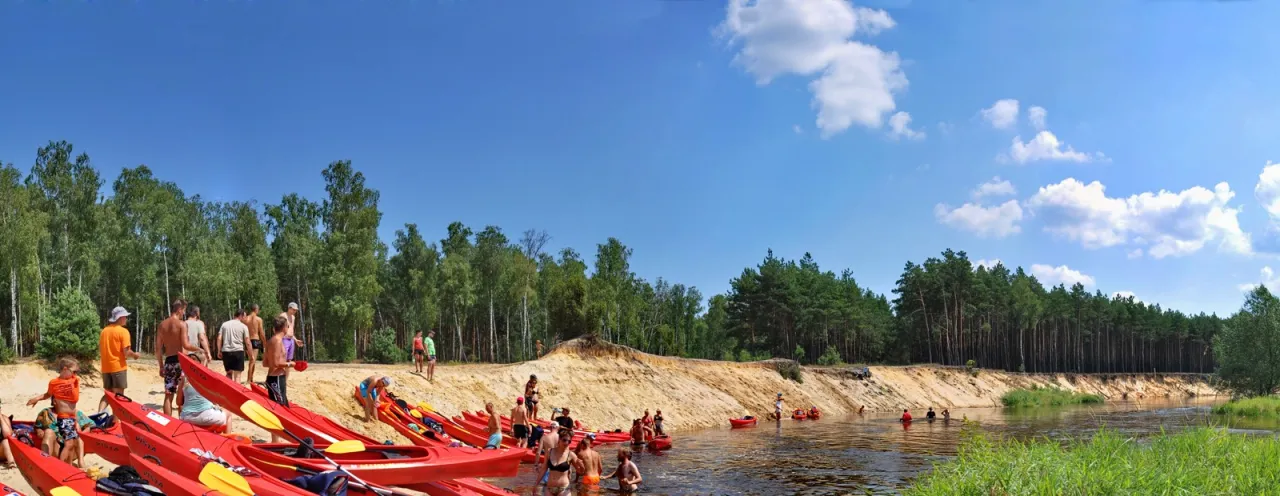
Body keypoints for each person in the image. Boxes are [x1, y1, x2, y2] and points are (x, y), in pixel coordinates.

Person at [27, 358, 84, 467]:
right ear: (65, 369)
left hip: (72, 418)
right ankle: (61, 466)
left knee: (71, 444)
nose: (76, 374)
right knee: (69, 444)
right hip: (64, 417)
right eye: (74, 371)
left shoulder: (74, 380)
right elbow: (48, 394)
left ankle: (69, 466)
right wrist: (36, 399)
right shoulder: (54, 383)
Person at [157, 299, 201, 417]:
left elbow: (158, 349)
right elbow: (186, 345)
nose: (183, 313)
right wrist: (199, 349)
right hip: (181, 361)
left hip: (169, 361)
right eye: (184, 310)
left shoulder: (162, 325)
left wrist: (161, 366)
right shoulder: (182, 324)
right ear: (179, 309)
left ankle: (168, 423)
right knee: (183, 394)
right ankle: (182, 422)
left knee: (168, 395)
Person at [98, 306, 140, 413]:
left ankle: (99, 414)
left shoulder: (104, 331)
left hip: (106, 368)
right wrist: (135, 355)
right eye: (125, 317)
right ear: (120, 317)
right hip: (118, 367)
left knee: (107, 394)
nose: (126, 319)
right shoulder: (123, 332)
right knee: (119, 397)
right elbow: (126, 352)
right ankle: (116, 421)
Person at [263, 313, 295, 442]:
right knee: (278, 410)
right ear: (284, 328)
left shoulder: (273, 340)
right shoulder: (276, 341)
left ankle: (278, 439)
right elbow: (275, 363)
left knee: (283, 408)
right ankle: (275, 441)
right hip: (275, 379)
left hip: (277, 378)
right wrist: (289, 364)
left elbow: (265, 363)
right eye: (287, 326)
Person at [216, 309, 251, 383]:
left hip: (226, 351)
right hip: (238, 351)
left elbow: (219, 338)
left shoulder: (224, 324)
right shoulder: (243, 326)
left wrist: (219, 350)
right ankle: (236, 393)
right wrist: (251, 354)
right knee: (237, 376)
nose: (245, 318)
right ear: (241, 316)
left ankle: (228, 392)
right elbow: (247, 342)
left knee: (229, 373)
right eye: (244, 316)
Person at [541, 426, 578, 495]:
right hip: (549, 488)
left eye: (569, 441)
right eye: (564, 440)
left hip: (564, 488)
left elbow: (580, 471)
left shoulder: (571, 455)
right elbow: (543, 469)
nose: (566, 443)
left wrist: (580, 465)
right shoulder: (549, 451)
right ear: (559, 439)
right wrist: (536, 484)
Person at [280, 302, 305, 375]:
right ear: (289, 308)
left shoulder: (293, 317)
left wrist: (295, 340)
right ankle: (280, 377)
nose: (295, 311)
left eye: (296, 310)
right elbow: (279, 328)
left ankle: (286, 380)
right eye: (294, 310)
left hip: (291, 340)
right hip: (284, 339)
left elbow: (291, 329)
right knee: (282, 360)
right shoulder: (283, 316)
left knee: (289, 360)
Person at [246, 304, 264, 385]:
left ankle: (251, 378)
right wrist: (265, 342)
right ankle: (249, 379)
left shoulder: (246, 319)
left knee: (251, 360)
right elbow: (261, 332)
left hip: (247, 340)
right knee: (253, 361)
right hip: (255, 339)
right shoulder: (258, 319)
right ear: (256, 309)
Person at [0, 401, 15, 468]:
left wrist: (0, 418)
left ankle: (11, 462)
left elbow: (8, 434)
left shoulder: (4, 418)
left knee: (6, 442)